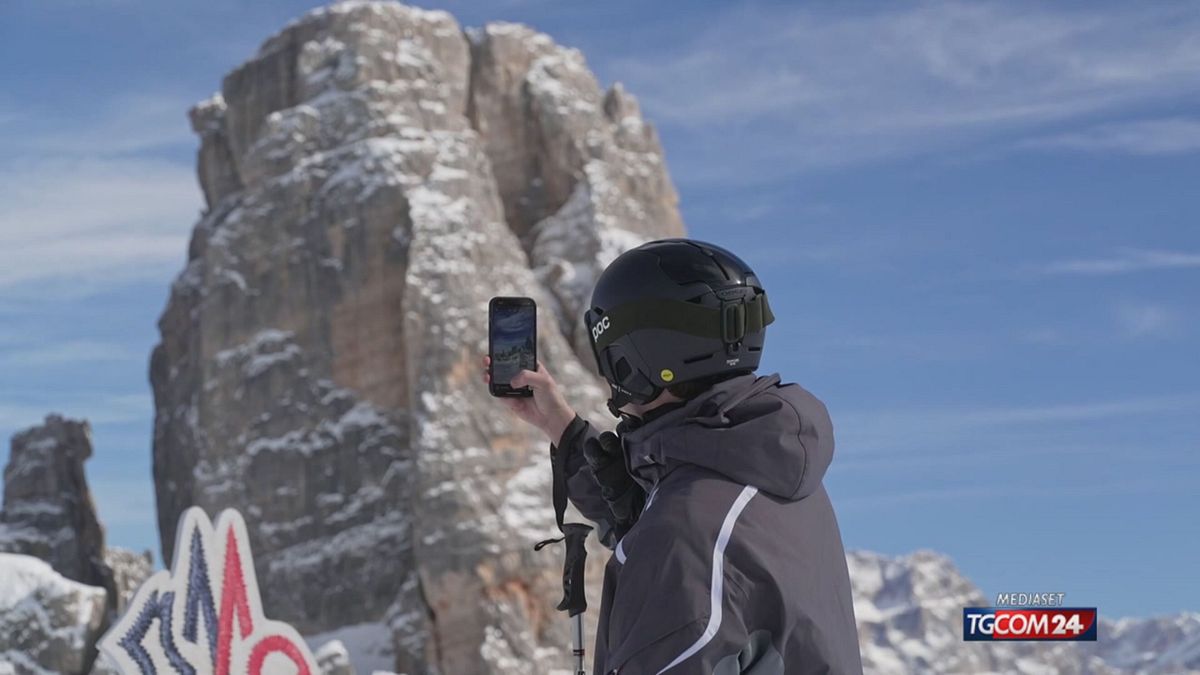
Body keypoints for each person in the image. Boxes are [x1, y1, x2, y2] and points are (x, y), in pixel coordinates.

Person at [484, 239, 864, 675]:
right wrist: (562, 429)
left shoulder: (686, 535)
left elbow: (675, 538)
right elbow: (653, 513)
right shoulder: (771, 466)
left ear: (632, 359)